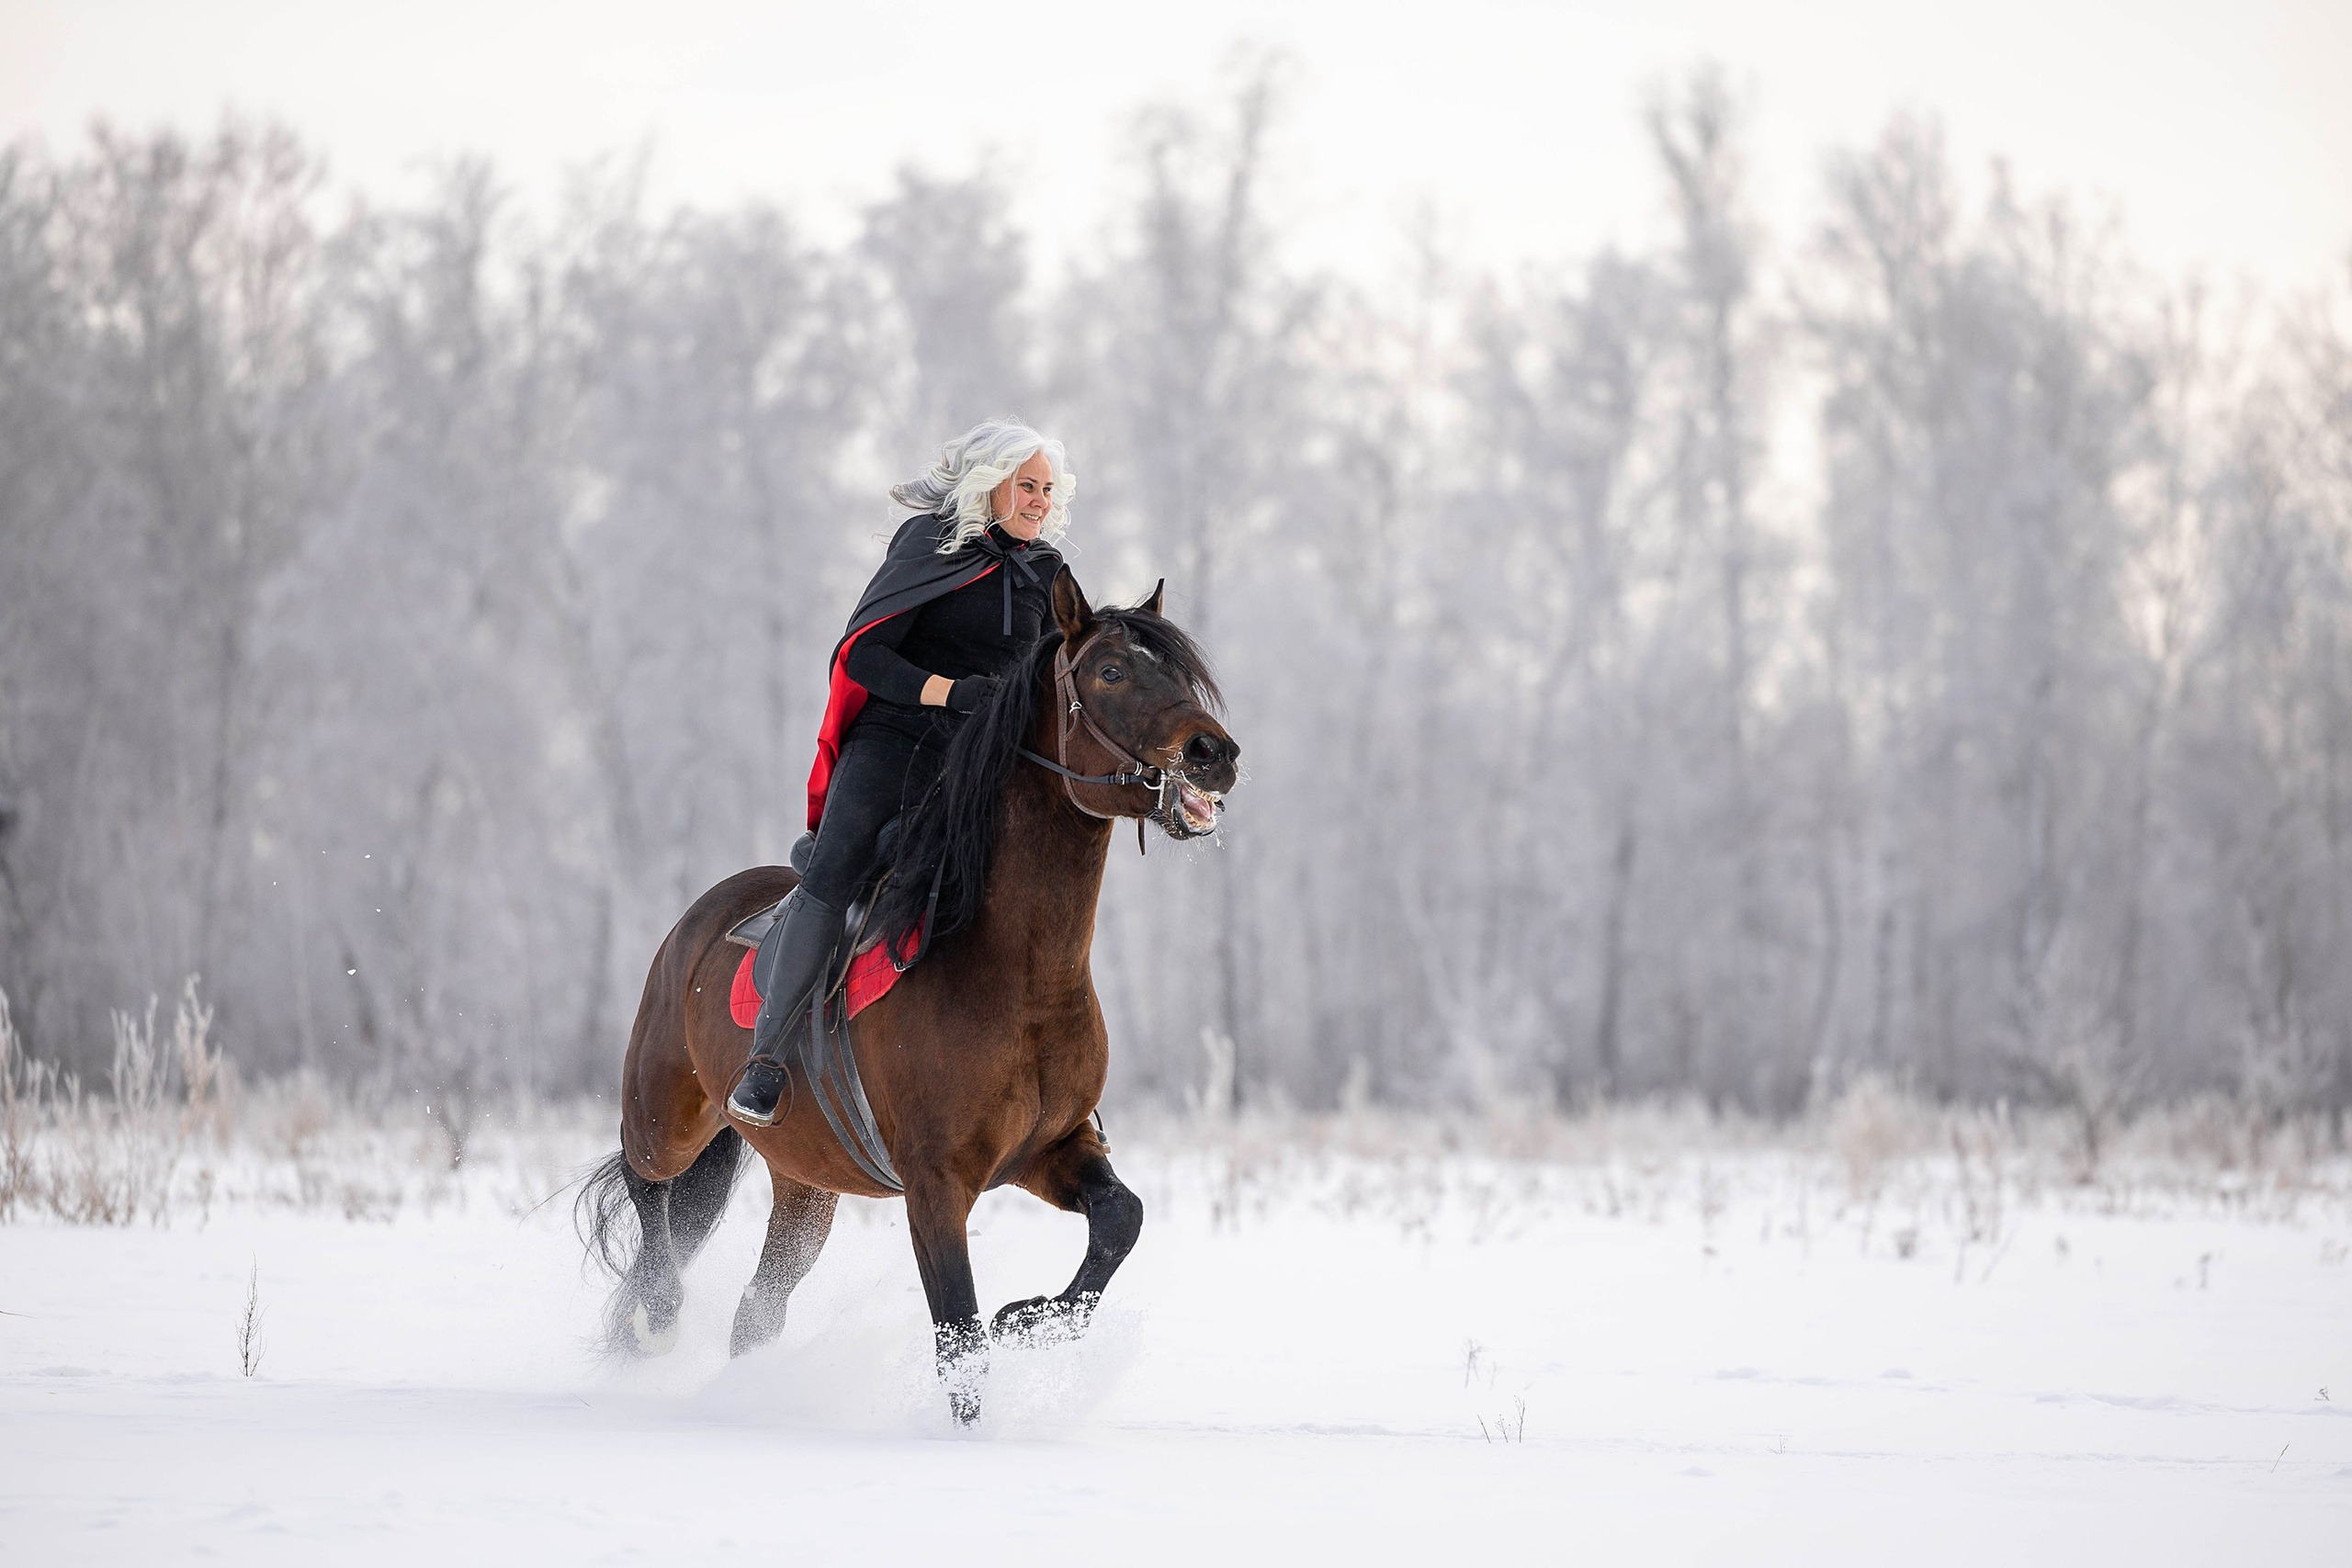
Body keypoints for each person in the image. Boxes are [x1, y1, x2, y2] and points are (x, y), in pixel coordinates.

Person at [726, 420, 1072, 1126]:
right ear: (991, 483)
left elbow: (1063, 672)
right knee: (834, 872)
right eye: (1026, 485)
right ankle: (765, 1061)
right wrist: (950, 692)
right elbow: (864, 659)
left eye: (1046, 488)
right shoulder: (928, 544)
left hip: (981, 765)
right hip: (895, 744)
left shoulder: (1048, 571)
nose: (1039, 500)